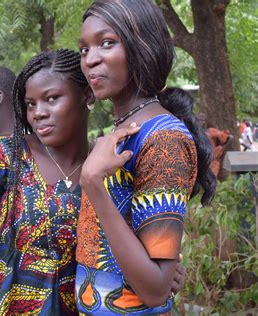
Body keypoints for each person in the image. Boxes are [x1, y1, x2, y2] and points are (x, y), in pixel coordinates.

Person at [0, 49, 185, 315]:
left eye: (52, 99)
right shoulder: (4, 159)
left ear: (86, 95)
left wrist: (166, 271)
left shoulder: (111, 166)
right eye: (31, 104)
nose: (38, 113)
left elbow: (141, 249)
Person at [76, 1, 216, 315]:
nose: (90, 59)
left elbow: (154, 289)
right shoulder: (123, 133)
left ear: (143, 47)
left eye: (107, 43)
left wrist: (92, 183)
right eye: (84, 49)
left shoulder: (163, 139)